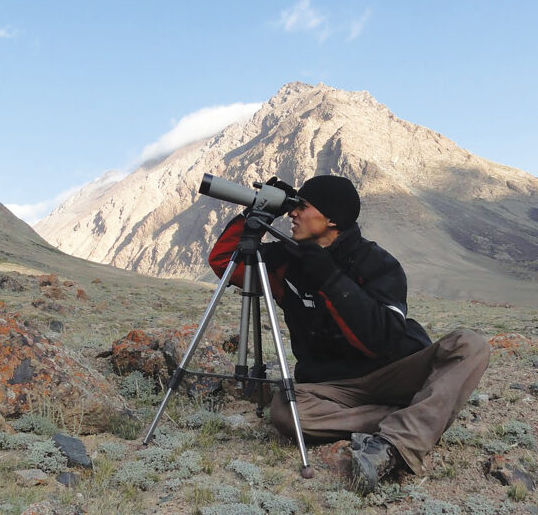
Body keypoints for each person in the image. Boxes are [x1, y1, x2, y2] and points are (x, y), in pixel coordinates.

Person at [208, 175, 490, 493]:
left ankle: (394, 446)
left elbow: (382, 340)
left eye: (302, 206)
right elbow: (223, 261)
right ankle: (416, 415)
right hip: (331, 388)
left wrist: (328, 277)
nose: (293, 214)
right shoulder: (287, 261)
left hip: (392, 371)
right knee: (286, 414)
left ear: (331, 218)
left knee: (471, 345)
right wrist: (258, 214)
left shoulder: (378, 263)